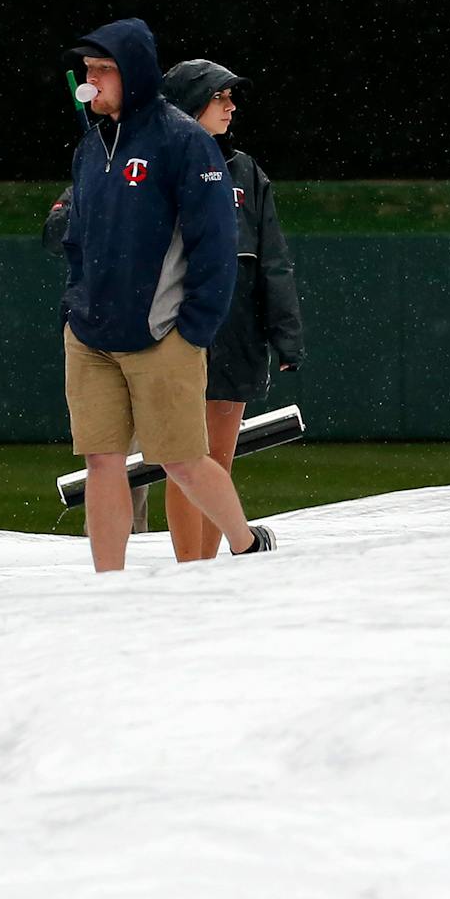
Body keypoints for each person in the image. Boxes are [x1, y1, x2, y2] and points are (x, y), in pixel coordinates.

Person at [58, 18, 275, 569]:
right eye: (88, 71)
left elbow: (215, 248)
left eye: (103, 70)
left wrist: (192, 329)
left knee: (181, 460)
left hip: (161, 337)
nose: (91, 81)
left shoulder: (184, 142)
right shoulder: (90, 146)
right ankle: (110, 584)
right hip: (90, 337)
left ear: (132, 75)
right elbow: (78, 235)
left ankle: (245, 543)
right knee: (103, 461)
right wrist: (75, 304)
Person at [160, 59, 304, 562]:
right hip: (177, 330)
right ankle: (190, 569)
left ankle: (208, 573)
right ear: (190, 102)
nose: (231, 106)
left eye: (231, 97)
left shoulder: (246, 170)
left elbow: (274, 261)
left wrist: (286, 335)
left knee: (217, 459)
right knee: (184, 460)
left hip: (238, 332)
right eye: (220, 96)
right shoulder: (156, 161)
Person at [43, 189, 151, 533]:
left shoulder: (159, 175)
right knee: (103, 450)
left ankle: (130, 539)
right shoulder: (87, 179)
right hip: (91, 330)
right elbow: (53, 233)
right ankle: (106, 547)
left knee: (148, 454)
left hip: (147, 327)